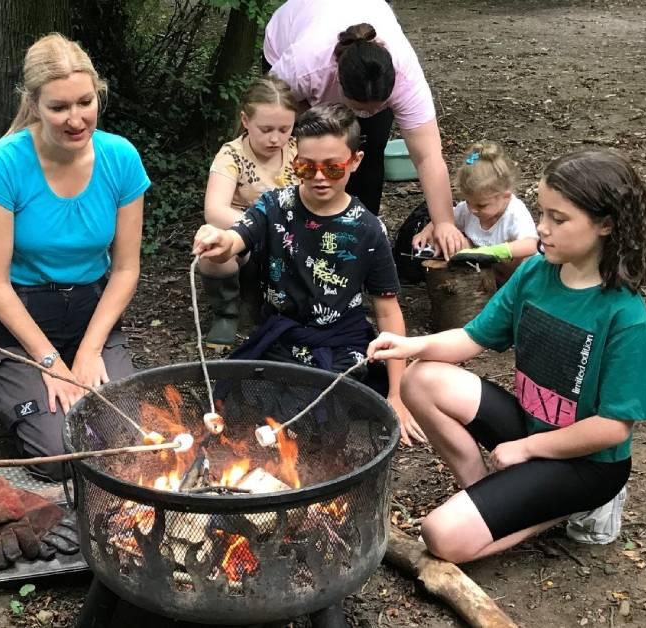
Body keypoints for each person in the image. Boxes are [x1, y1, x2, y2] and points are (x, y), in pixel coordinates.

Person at [367, 149, 646, 562]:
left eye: (559, 218)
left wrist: (526, 451)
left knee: (440, 536)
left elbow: (613, 428)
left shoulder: (625, 315)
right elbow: (471, 339)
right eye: (543, 214)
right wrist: (410, 345)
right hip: (529, 423)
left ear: (606, 225)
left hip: (587, 462)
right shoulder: (535, 273)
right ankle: (484, 491)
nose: (543, 228)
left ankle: (572, 507)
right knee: (420, 377)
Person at [0, 33, 149, 481]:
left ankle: (70, 371)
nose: (76, 119)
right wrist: (50, 363)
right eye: (59, 108)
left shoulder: (120, 157)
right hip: (25, 318)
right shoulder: (2, 163)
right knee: (59, 455)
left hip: (92, 313)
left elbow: (126, 269)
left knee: (128, 442)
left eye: (85, 102)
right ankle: (4, 385)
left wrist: (89, 353)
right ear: (33, 104)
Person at [193, 105, 420, 446]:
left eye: (332, 168)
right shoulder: (274, 205)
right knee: (237, 415)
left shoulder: (368, 228)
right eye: (306, 166)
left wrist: (397, 395)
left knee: (319, 427)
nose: (318, 177)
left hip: (339, 343)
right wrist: (218, 239)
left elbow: (388, 310)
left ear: (355, 161)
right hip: (280, 338)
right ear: (295, 157)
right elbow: (236, 238)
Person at [263, 0, 469, 259]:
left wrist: (444, 222)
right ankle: (299, 239)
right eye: (362, 109)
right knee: (313, 157)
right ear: (337, 80)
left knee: (369, 151)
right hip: (290, 37)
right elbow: (265, 112)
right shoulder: (304, 66)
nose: (368, 114)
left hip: (363, 66)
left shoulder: (405, 76)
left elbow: (428, 156)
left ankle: (358, 245)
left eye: (376, 108)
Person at [201, 75, 300, 348]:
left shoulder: (298, 152)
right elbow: (215, 210)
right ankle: (225, 311)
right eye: (266, 129)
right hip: (243, 235)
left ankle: (281, 305)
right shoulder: (231, 155)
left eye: (284, 129)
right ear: (245, 121)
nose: (275, 138)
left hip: (288, 237)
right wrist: (263, 226)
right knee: (212, 251)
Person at [411, 141, 538, 284]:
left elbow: (531, 245)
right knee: (456, 240)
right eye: (468, 202)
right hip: (487, 275)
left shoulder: (514, 213)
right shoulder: (469, 209)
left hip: (518, 279)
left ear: (505, 196)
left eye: (481, 205)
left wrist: (492, 252)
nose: (473, 209)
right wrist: (427, 231)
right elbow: (447, 220)